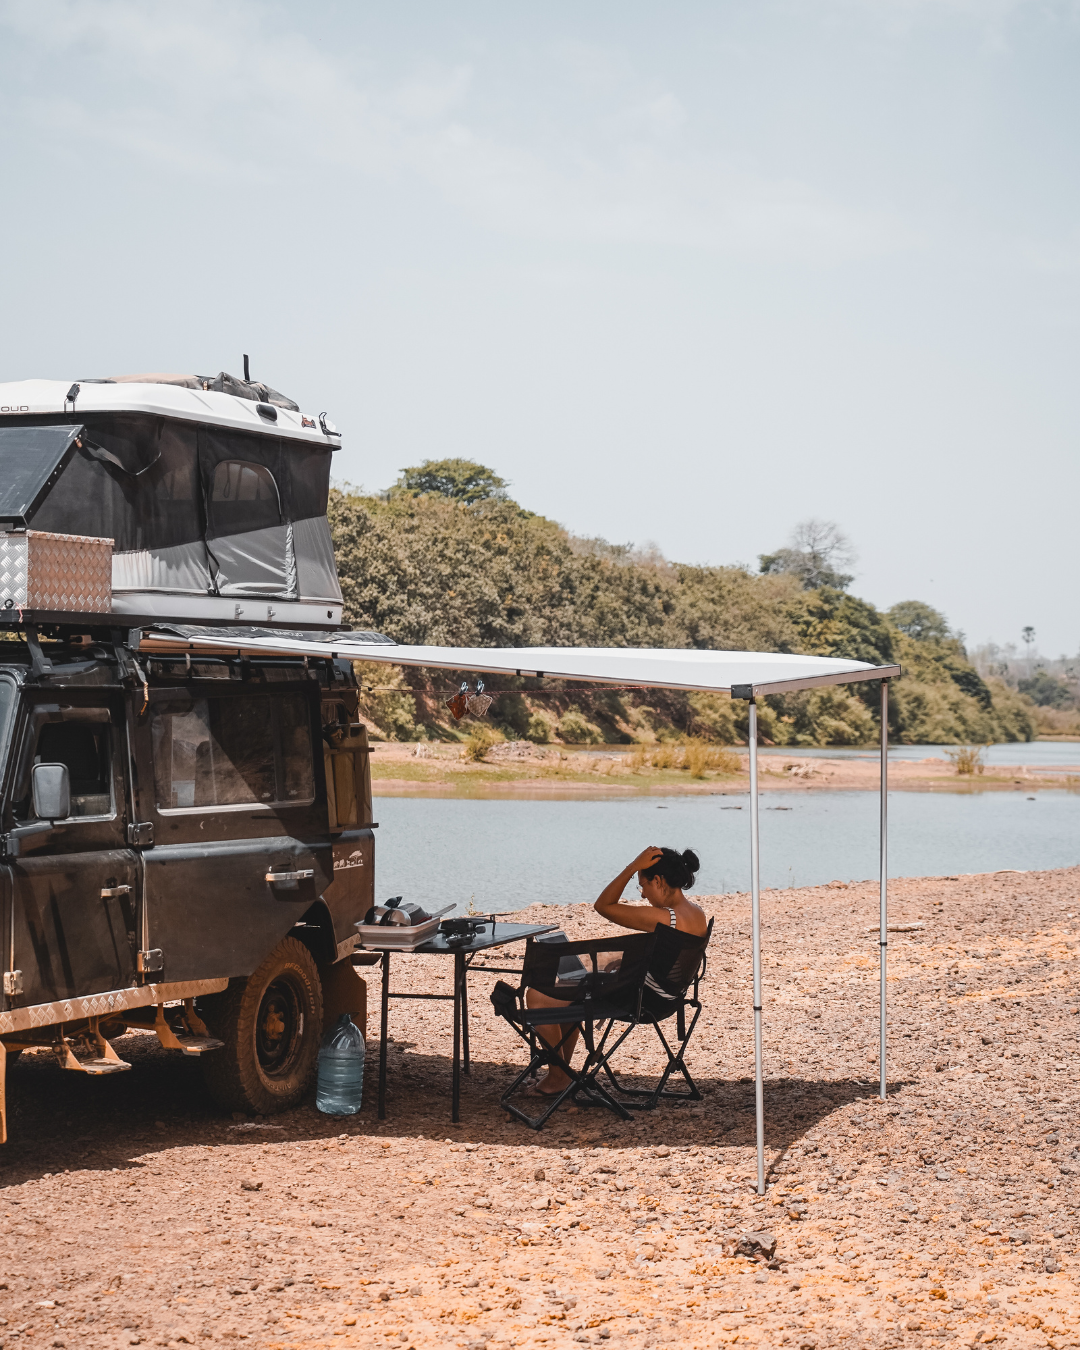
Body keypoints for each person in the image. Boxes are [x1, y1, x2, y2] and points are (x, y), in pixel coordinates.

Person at [526, 845, 706, 1096]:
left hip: (641, 1000)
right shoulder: (697, 913)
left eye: (642, 885)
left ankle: (558, 1078)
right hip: (667, 997)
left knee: (537, 996)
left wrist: (632, 867)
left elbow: (603, 905)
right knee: (568, 993)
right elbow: (667, 962)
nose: (643, 894)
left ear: (658, 880)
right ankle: (562, 1073)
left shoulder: (665, 918)